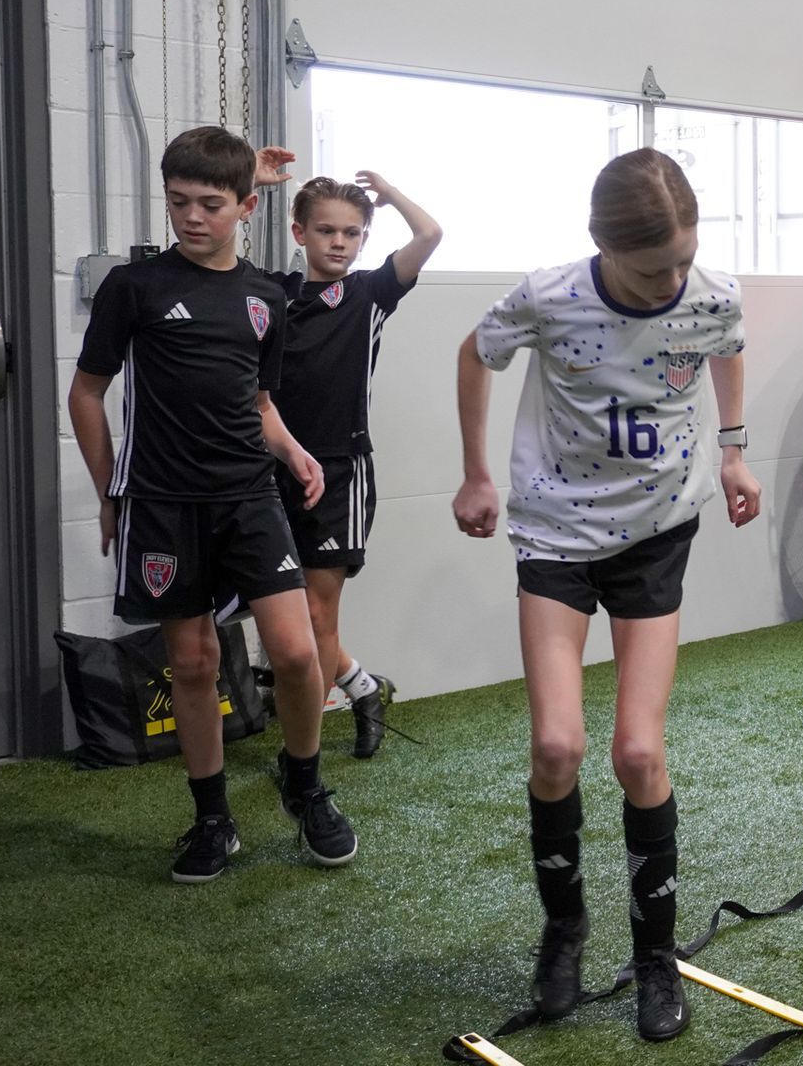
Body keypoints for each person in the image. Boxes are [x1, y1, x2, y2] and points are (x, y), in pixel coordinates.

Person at [452, 148, 760, 1042]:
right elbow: (475, 354)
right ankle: (564, 930)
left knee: (637, 753)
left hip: (657, 531)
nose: (673, 280)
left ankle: (657, 958)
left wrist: (734, 450)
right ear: (603, 245)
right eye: (652, 267)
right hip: (555, 533)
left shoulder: (711, 293)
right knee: (556, 744)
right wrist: (476, 473)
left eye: (682, 260)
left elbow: (726, 352)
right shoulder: (549, 296)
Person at [67, 125, 357, 883]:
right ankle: (212, 819)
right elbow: (86, 394)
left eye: (209, 204)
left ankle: (305, 784)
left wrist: (292, 452)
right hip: (163, 504)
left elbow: (259, 400)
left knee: (296, 653)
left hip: (249, 498)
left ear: (245, 206)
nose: (191, 218)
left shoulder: (265, 294)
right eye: (177, 202)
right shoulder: (134, 289)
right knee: (192, 665)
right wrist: (109, 495)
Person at [265, 163, 442, 758]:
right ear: (300, 234)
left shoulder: (370, 292)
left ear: (364, 237)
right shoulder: (273, 294)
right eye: (325, 231)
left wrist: (390, 194)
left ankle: (302, 762)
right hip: (271, 470)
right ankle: (364, 689)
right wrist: (253, 189)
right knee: (285, 614)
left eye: (351, 232)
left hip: (340, 472)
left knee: (317, 610)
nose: (338, 242)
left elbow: (429, 236)